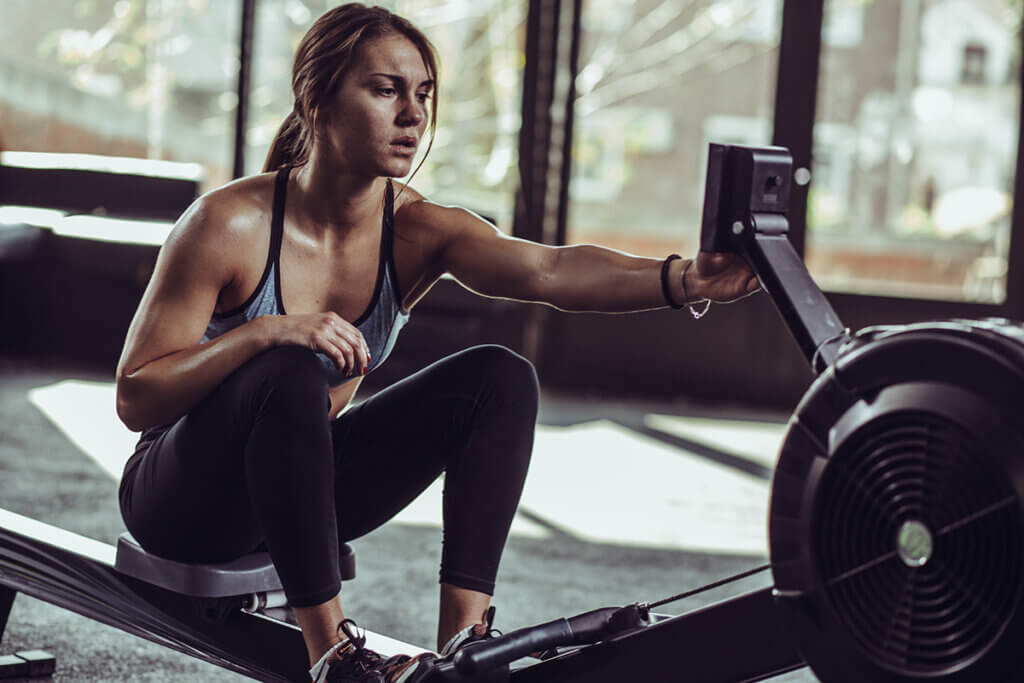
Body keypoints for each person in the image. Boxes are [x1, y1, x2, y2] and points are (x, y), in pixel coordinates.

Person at [113, 4, 760, 682]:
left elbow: (550, 268)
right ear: (317, 98)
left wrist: (686, 279)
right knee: (288, 369)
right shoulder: (229, 222)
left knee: (499, 378)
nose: (413, 114)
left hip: (303, 495)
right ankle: (333, 653)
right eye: (385, 88)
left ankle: (465, 642)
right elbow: (137, 394)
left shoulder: (417, 230)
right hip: (184, 498)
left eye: (422, 93)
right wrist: (268, 330)